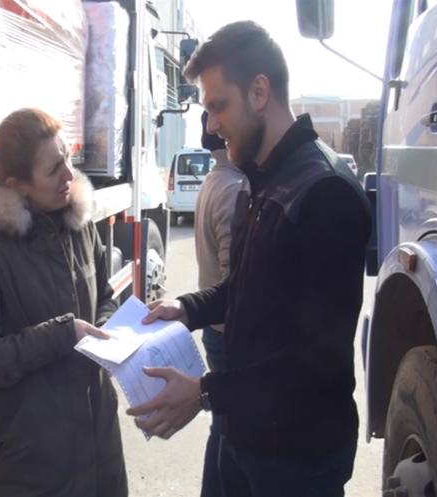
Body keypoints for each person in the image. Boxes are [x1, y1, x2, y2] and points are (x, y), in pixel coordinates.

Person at [126, 21, 371, 497]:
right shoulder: (259, 178)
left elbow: (315, 362)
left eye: (218, 106)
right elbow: (246, 289)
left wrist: (203, 392)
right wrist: (186, 308)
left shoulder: (326, 193)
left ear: (259, 92)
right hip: (245, 436)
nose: (210, 126)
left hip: (297, 462)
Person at [0, 108, 128, 497]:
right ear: (18, 185)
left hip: (100, 448)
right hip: (33, 466)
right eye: (53, 169)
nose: (69, 176)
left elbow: (105, 296)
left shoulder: (78, 222)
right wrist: (62, 335)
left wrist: (106, 330)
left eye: (67, 159)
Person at [195, 110, 248, 497]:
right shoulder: (231, 188)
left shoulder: (215, 179)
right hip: (227, 328)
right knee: (231, 433)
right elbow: (235, 278)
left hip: (214, 325)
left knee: (222, 427)